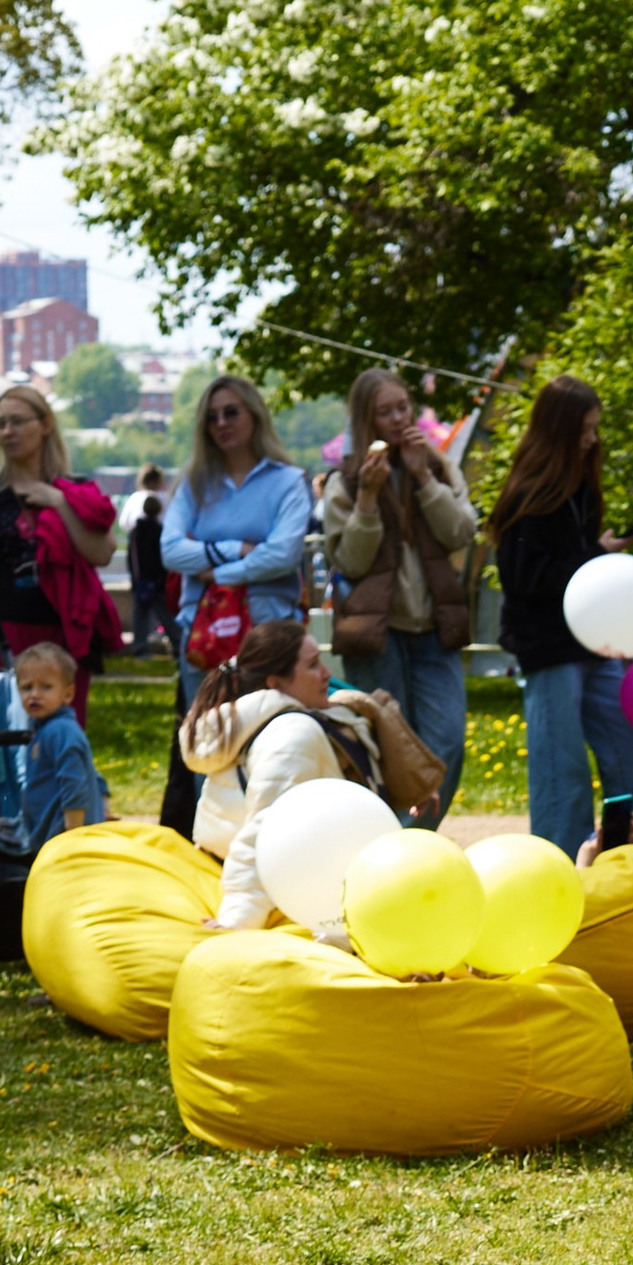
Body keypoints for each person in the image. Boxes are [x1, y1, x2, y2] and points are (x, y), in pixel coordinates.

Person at [490, 378, 633, 858]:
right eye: (586, 430)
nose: (592, 439)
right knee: (560, 769)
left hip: (596, 645)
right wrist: (596, 555)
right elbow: (527, 581)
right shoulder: (527, 497)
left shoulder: (579, 488)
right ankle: (561, 866)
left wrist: (597, 554)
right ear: (562, 430)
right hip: (549, 651)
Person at [156, 376, 313, 835]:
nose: (221, 423)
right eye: (212, 416)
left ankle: (275, 842)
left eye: (231, 412)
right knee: (207, 745)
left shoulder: (287, 482)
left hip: (269, 636)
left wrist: (214, 565)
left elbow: (284, 553)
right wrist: (240, 552)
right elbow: (170, 551)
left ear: (254, 415)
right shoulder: (194, 486)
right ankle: (205, 849)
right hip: (204, 637)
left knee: (272, 744)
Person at [319, 368, 479, 818]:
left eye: (402, 408)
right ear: (363, 421)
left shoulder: (438, 466)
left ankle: (415, 844)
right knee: (385, 748)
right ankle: (383, 845)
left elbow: (461, 531)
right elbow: (350, 560)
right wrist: (368, 497)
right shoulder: (345, 481)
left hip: (434, 628)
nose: (395, 419)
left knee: (446, 740)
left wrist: (424, 479)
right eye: (383, 412)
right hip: (377, 634)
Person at [178, 615, 393, 934]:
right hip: (272, 893)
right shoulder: (293, 733)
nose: (327, 674)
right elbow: (264, 830)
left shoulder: (245, 718)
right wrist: (238, 921)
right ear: (275, 681)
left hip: (222, 867)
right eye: (313, 665)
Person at [0, 385, 118, 708]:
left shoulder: (77, 491)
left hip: (62, 635)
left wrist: (59, 502)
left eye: (17, 422)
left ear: (45, 425)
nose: (7, 432)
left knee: (61, 735)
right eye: (1, 425)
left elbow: (102, 553)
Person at [6, 644, 108, 845]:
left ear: (68, 694)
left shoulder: (61, 731)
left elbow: (74, 784)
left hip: (67, 838)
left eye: (46, 687)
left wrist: (73, 834)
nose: (34, 694)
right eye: (27, 687)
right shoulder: (43, 729)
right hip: (48, 836)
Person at [122, 464, 174, 653]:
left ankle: (140, 645)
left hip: (141, 575)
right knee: (165, 612)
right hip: (159, 574)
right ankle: (176, 642)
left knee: (141, 613)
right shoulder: (166, 503)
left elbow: (124, 525)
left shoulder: (135, 508)